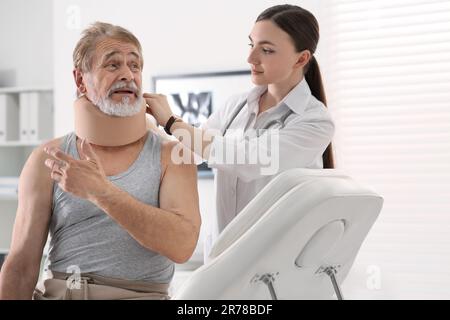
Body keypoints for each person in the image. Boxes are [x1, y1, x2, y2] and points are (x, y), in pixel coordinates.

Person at [0, 22, 201, 300]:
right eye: (113, 65)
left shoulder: (172, 156)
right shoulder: (48, 159)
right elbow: (21, 267)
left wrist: (100, 191)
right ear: (81, 80)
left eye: (135, 65)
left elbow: (182, 245)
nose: (128, 75)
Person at [144, 4, 335, 259]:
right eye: (251, 45)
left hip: (273, 262)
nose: (251, 58)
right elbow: (190, 154)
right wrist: (144, 130)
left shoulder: (315, 121)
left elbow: (250, 160)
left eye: (266, 50)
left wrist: (172, 122)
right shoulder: (236, 106)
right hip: (222, 256)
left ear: (301, 59)